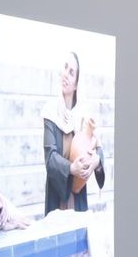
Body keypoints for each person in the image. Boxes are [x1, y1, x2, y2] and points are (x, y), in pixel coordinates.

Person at [43, 51, 105, 214]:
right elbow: (50, 157)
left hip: (78, 198)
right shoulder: (50, 112)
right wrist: (72, 168)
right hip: (56, 196)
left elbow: (98, 149)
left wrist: (96, 161)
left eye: (71, 73)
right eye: (65, 68)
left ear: (77, 83)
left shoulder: (84, 115)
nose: (66, 75)